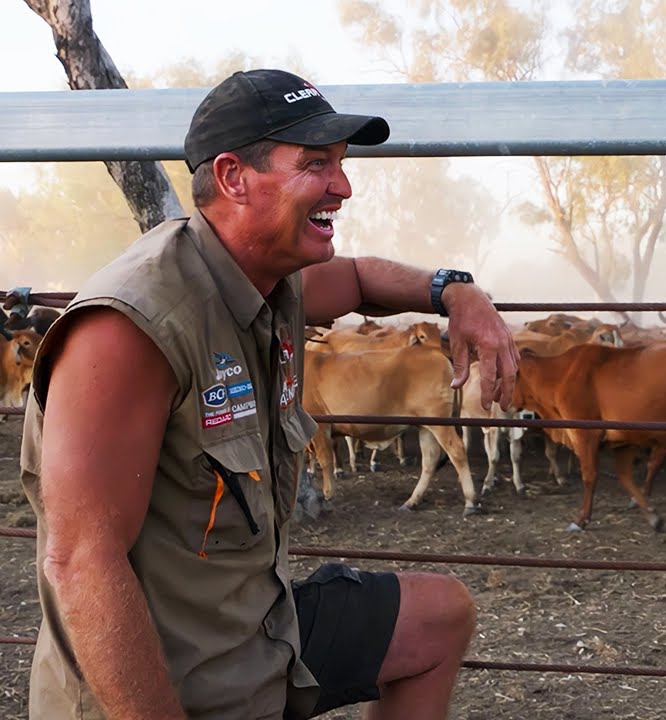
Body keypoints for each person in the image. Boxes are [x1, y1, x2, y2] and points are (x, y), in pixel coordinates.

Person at [19, 68, 519, 719]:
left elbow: (364, 277)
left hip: (258, 633)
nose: (343, 186)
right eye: (316, 164)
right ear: (232, 178)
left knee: (438, 616)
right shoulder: (129, 331)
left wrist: (457, 292)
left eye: (340, 164)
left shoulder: (273, 280)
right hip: (167, 685)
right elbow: (81, 565)